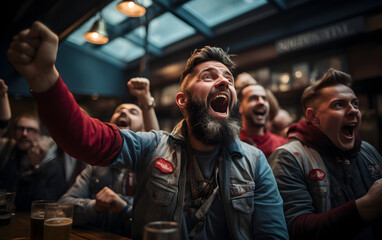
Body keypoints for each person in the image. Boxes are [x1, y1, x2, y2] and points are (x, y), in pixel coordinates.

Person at [8, 21, 289, 239]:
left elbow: (273, 235)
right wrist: (46, 79)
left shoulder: (255, 162)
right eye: (208, 76)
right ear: (182, 100)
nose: (224, 82)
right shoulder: (151, 146)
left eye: (229, 78)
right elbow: (86, 138)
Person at [269, 68, 382, 239]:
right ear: (313, 117)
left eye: (355, 103)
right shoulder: (288, 158)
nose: (353, 111)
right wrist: (365, 207)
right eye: (339, 104)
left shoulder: (367, 151)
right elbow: (294, 229)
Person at [59, 77, 160, 237]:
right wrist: (95, 206)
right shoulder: (95, 167)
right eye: (119, 110)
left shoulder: (149, 167)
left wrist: (125, 208)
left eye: (133, 112)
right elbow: (62, 207)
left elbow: (159, 220)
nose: (124, 112)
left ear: (142, 130)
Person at [0, 113, 66, 210]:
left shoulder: (51, 164)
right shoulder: (9, 155)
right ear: (13, 132)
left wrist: (34, 168)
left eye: (31, 130)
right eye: (20, 128)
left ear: (39, 134)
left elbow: (40, 203)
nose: (24, 134)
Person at [238, 83, 289, 159]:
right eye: (253, 98)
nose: (261, 102)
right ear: (240, 107)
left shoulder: (283, 146)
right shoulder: (230, 145)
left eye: (264, 99)